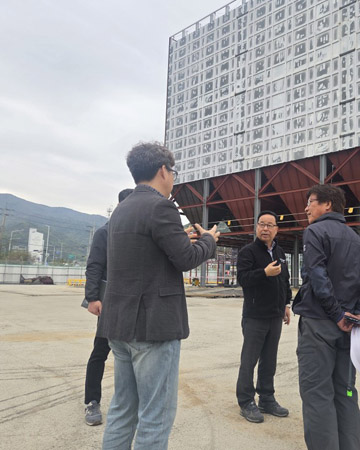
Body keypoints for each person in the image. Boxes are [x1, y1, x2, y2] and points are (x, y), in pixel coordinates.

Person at [98, 142, 219, 450]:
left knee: (122, 409)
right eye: (173, 172)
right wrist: (208, 241)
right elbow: (186, 259)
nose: (173, 178)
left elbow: (146, 255)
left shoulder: (122, 209)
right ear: (163, 170)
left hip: (119, 323)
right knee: (156, 416)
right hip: (152, 327)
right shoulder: (161, 207)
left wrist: (183, 240)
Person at [293, 184, 360, 450]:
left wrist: (337, 313)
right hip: (349, 328)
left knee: (317, 393)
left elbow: (318, 276)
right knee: (346, 392)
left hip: (320, 324)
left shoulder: (315, 231)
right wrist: (358, 313)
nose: (306, 208)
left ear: (327, 204)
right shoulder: (357, 240)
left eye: (310, 202)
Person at [82, 188, 133, 426]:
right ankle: (92, 401)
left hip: (134, 303)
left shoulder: (137, 233)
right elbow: (94, 265)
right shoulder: (105, 233)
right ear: (122, 206)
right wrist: (92, 298)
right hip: (110, 303)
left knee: (135, 354)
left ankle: (132, 402)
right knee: (100, 351)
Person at [236, 211, 292, 423]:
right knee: (249, 360)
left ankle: (267, 398)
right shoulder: (248, 252)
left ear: (276, 229)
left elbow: (285, 280)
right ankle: (245, 401)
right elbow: (243, 279)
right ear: (256, 227)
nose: (265, 229)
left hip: (275, 315)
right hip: (255, 316)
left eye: (270, 225)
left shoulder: (280, 252)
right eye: (262, 224)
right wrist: (264, 273)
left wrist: (286, 304)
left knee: (269, 360)